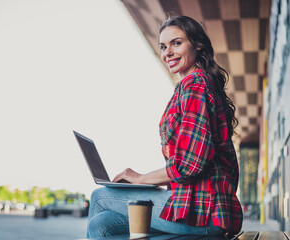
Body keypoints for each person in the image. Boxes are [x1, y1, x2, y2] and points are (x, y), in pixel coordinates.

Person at [86, 15, 243, 238]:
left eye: (176, 43)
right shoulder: (192, 85)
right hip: (198, 206)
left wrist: (140, 178)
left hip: (205, 212)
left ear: (197, 45)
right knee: (101, 224)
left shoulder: (195, 85)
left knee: (100, 197)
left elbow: (191, 164)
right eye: (163, 46)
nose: (167, 52)